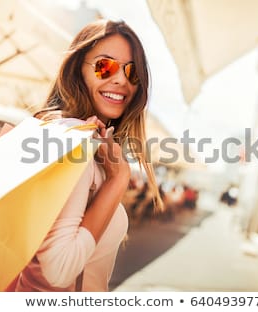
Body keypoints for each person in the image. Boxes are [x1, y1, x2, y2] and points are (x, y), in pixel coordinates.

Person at [15, 19, 163, 292]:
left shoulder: (82, 141)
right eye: (104, 66)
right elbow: (58, 270)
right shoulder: (72, 140)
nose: (120, 79)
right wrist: (118, 178)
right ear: (77, 70)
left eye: (132, 73)